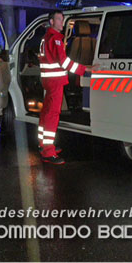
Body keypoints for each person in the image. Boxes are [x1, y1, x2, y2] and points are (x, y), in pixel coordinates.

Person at [38, 10, 98, 165]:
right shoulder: (56, 39)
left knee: (46, 113)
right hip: (55, 81)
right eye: (59, 19)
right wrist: (86, 70)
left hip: (48, 80)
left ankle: (43, 145)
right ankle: (48, 152)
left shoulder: (46, 38)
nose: (62, 22)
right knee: (52, 115)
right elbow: (64, 63)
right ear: (51, 21)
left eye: (62, 19)